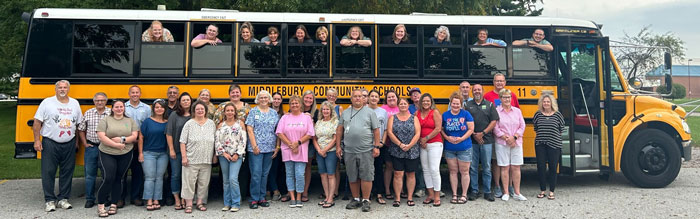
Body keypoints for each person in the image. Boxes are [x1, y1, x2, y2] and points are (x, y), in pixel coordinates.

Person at [33, 80, 83, 212]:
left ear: (68, 89)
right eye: (60, 87)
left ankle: (63, 199)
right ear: (55, 89)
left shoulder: (75, 103)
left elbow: (78, 125)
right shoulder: (47, 102)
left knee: (67, 172)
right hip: (50, 142)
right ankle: (49, 200)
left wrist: (77, 141)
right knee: (48, 171)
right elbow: (37, 122)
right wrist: (37, 140)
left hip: (69, 142)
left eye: (65, 87)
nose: (62, 89)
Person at [335, 88, 381, 212]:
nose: (357, 98)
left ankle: (366, 200)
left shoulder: (370, 112)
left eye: (360, 96)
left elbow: (376, 130)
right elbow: (339, 130)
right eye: (355, 96)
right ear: (351, 99)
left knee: (366, 175)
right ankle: (355, 198)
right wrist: (338, 146)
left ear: (363, 98)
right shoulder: (345, 113)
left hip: (366, 149)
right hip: (349, 150)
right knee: (352, 175)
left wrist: (376, 146)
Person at [95, 99, 139, 217]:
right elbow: (101, 136)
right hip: (107, 152)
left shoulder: (130, 121)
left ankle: (114, 203)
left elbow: (134, 136)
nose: (119, 109)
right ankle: (101, 205)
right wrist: (116, 145)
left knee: (119, 178)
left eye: (121, 107)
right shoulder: (105, 120)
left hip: (125, 153)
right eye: (117, 107)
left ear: (124, 108)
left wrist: (122, 140)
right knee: (109, 177)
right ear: (112, 108)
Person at [483, 73, 519, 198]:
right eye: (497, 81)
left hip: (510, 136)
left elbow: (517, 114)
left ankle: (509, 187)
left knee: (509, 163)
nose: (499, 83)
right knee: (496, 161)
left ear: (505, 82)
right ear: (493, 82)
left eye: (501, 81)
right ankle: (497, 186)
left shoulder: (512, 95)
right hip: (495, 135)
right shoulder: (487, 96)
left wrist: (513, 136)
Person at [276, 95, 315, 208]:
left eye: (296, 103)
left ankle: (299, 196)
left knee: (299, 174)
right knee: (289, 174)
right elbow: (279, 132)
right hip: (287, 149)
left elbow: (310, 134)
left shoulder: (306, 118)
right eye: (292, 103)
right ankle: (292, 197)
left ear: (300, 104)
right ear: (290, 105)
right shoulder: (285, 118)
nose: (294, 105)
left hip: (301, 149)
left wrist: (297, 143)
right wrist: (290, 144)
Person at [179, 101, 217, 213]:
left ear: (205, 111)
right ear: (194, 111)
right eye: (197, 109)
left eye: (202, 109)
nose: (200, 111)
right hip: (191, 159)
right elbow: (182, 142)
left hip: (206, 159)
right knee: (189, 182)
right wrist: (184, 157)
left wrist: (215, 155)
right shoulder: (189, 124)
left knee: (204, 183)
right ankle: (189, 204)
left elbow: (215, 141)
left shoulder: (211, 124)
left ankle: (200, 202)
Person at [246, 90, 279, 209]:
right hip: (256, 149)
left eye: (266, 97)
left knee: (265, 174)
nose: (264, 99)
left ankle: (262, 197)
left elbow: (278, 131)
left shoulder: (274, 113)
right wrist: (254, 146)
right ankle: (254, 199)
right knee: (256, 173)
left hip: (270, 148)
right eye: (261, 97)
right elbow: (249, 129)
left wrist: (277, 146)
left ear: (269, 99)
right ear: (257, 99)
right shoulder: (253, 112)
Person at [465, 84, 499, 202]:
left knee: (487, 167)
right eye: (475, 90)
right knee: (473, 167)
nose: (477, 91)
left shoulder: (490, 105)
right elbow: (465, 121)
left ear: (483, 91)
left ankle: (487, 191)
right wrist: (474, 134)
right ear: (472, 92)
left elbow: (494, 121)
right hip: (472, 141)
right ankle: (474, 191)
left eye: (479, 89)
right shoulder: (467, 105)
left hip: (487, 141)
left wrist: (482, 133)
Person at [78, 92, 110, 209]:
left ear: (106, 101)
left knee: (105, 174)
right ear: (94, 102)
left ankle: (104, 198)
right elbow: (81, 129)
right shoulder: (88, 113)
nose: (100, 102)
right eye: (97, 100)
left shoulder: (111, 113)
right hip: (92, 147)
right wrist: (85, 143)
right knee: (90, 175)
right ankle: (89, 199)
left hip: (106, 148)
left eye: (102, 100)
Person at [441, 92, 475, 204]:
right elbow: (440, 129)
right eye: (454, 103)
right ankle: (455, 194)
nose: (455, 105)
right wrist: (447, 137)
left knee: (464, 172)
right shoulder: (445, 115)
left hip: (464, 147)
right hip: (450, 148)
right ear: (450, 103)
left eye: (458, 103)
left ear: (461, 104)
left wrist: (461, 138)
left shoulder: (466, 114)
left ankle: (464, 194)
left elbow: (471, 129)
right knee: (453, 171)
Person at [493, 89, 527, 201]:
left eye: (509, 97)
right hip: (502, 143)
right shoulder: (496, 111)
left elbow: (522, 125)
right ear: (500, 99)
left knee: (516, 167)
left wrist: (515, 137)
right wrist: (505, 137)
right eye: (504, 97)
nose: (507, 99)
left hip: (516, 142)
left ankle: (517, 192)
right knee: (504, 167)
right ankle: (506, 192)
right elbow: (495, 127)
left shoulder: (517, 111)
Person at [387, 98, 421, 207]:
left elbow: (418, 133)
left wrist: (410, 145)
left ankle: (410, 197)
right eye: (400, 104)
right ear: (398, 105)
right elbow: (390, 132)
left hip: (412, 150)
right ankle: (397, 198)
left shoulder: (414, 118)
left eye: (404, 103)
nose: (402, 105)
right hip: (397, 149)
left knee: (410, 174)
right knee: (398, 174)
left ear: (408, 105)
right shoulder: (393, 118)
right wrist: (400, 144)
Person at [216, 103, 248, 212]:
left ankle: (236, 202)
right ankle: (227, 203)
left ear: (235, 112)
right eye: (227, 110)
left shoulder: (240, 124)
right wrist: (223, 153)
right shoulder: (221, 125)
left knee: (233, 178)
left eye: (232, 110)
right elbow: (217, 141)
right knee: (225, 180)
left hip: (236, 156)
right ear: (224, 112)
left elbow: (243, 141)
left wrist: (237, 154)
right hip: (224, 156)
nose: (230, 112)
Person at [139, 99, 169, 211]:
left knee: (159, 177)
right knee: (150, 177)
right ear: (153, 109)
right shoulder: (147, 122)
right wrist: (140, 153)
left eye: (161, 107)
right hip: (148, 153)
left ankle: (157, 199)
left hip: (163, 154)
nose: (159, 109)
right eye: (157, 107)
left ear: (165, 109)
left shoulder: (167, 122)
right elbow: (141, 138)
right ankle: (149, 200)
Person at [533, 93, 565, 200]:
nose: (546, 103)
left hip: (554, 144)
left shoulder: (557, 114)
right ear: (541, 103)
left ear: (552, 103)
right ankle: (542, 190)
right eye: (544, 101)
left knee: (552, 167)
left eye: (548, 101)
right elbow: (536, 128)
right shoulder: (537, 114)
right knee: (541, 167)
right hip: (540, 144)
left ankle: (551, 191)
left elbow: (561, 129)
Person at [123, 85, 151, 207]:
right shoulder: (123, 107)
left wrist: (139, 140)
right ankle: (120, 198)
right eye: (132, 92)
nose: (135, 94)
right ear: (129, 94)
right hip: (124, 143)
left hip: (139, 143)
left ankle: (135, 197)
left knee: (138, 172)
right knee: (122, 172)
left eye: (137, 92)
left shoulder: (146, 108)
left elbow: (147, 125)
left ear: (140, 94)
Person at [166, 92, 192, 210]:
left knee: (187, 176)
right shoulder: (174, 115)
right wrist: (171, 149)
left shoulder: (194, 115)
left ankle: (184, 198)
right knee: (176, 175)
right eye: (183, 100)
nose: (186, 102)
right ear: (179, 102)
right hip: (176, 150)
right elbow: (169, 133)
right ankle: (177, 198)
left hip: (191, 152)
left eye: (188, 100)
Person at [416, 93, 443, 206]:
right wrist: (420, 141)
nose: (426, 103)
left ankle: (437, 195)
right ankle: (430, 194)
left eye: (428, 101)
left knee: (434, 169)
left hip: (435, 144)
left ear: (431, 102)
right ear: (421, 102)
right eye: (424, 101)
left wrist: (426, 138)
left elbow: (438, 128)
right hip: (423, 145)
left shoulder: (435, 112)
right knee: (425, 169)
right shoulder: (417, 113)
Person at [313, 101, 340, 208]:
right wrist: (319, 150)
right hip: (319, 151)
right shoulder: (318, 122)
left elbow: (335, 138)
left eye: (327, 109)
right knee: (323, 174)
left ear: (331, 111)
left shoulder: (335, 122)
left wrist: (325, 150)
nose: (325, 111)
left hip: (331, 151)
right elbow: (314, 138)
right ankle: (326, 196)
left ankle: (331, 198)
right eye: (323, 109)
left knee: (331, 174)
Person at [368, 90, 389, 205]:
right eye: (372, 96)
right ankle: (368, 193)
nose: (374, 98)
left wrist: (382, 142)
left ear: (379, 99)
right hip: (366, 145)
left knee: (379, 169)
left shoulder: (383, 112)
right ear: (368, 98)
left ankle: (379, 193)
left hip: (379, 145)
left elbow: (385, 129)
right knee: (367, 170)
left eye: (376, 96)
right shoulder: (364, 110)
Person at [300, 90, 318, 202]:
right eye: (306, 98)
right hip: (296, 143)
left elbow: (318, 129)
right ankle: (294, 191)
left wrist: (310, 121)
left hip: (309, 143)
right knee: (294, 167)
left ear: (313, 100)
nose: (308, 100)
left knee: (307, 166)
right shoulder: (296, 108)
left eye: (310, 98)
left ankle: (305, 191)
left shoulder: (316, 112)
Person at [268, 92, 286, 201]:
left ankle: (276, 189)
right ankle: (271, 190)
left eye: (278, 99)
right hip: (268, 144)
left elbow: (281, 131)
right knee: (267, 169)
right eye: (274, 99)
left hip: (279, 145)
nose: (276, 101)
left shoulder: (283, 115)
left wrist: (278, 146)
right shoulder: (267, 113)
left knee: (276, 169)